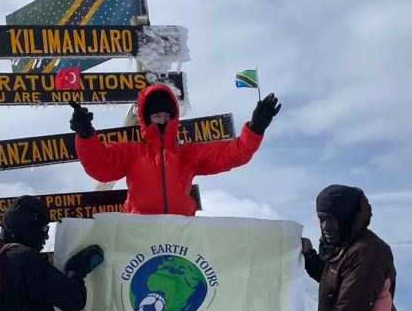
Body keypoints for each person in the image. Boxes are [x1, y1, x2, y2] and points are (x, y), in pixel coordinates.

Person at [68, 82, 281, 215]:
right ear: (146, 118)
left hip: (180, 234)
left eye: (166, 116)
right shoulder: (132, 152)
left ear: (174, 117)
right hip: (138, 234)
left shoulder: (188, 154)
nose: (162, 121)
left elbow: (231, 154)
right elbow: (100, 167)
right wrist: (86, 135)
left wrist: (255, 129)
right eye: (156, 116)